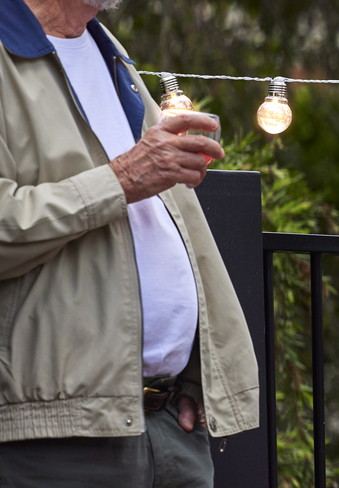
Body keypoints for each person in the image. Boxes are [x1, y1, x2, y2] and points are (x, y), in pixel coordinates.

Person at [0, 0, 258, 486]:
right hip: (54, 440)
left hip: (168, 427)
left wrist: (189, 379)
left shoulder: (105, 47)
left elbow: (159, 225)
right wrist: (120, 179)